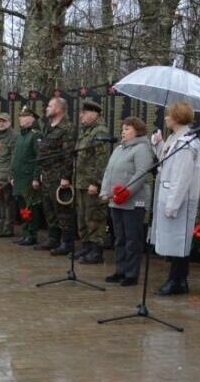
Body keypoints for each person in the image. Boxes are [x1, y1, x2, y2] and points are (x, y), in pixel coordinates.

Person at [149, 102, 200, 296]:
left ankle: (177, 280)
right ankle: (178, 279)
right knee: (172, 241)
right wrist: (159, 145)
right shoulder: (175, 138)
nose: (165, 118)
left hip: (179, 199)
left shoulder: (185, 142)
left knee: (178, 241)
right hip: (168, 195)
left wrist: (173, 204)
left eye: (168, 115)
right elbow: (168, 163)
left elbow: (182, 176)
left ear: (177, 117)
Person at [100, 117, 156, 286]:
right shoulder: (118, 149)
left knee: (132, 238)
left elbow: (140, 174)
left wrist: (125, 192)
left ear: (137, 131)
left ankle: (131, 274)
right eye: (123, 128)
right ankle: (120, 270)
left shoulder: (142, 149)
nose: (123, 131)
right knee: (119, 238)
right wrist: (105, 192)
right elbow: (109, 172)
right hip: (115, 200)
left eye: (127, 129)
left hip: (133, 202)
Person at [36, 97, 75, 255]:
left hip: (59, 176)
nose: (46, 108)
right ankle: (53, 238)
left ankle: (67, 243)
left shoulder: (67, 128)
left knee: (62, 211)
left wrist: (65, 176)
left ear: (59, 109)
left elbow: (68, 154)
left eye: (50, 105)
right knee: (49, 209)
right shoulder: (48, 127)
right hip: (46, 174)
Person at [74, 100, 111, 264]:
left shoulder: (100, 132)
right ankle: (86, 247)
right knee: (82, 217)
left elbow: (102, 160)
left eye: (84, 112)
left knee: (94, 217)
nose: (81, 115)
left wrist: (96, 182)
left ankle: (96, 251)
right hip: (81, 182)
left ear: (94, 114)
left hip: (91, 183)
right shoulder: (86, 131)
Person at [11, 106, 42, 246]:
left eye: (24, 116)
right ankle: (25, 232)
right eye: (20, 116)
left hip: (29, 179)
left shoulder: (35, 135)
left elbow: (39, 158)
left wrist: (36, 177)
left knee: (31, 208)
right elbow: (15, 158)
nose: (20, 119)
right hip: (18, 178)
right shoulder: (19, 136)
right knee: (23, 208)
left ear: (32, 119)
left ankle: (32, 234)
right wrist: (12, 175)